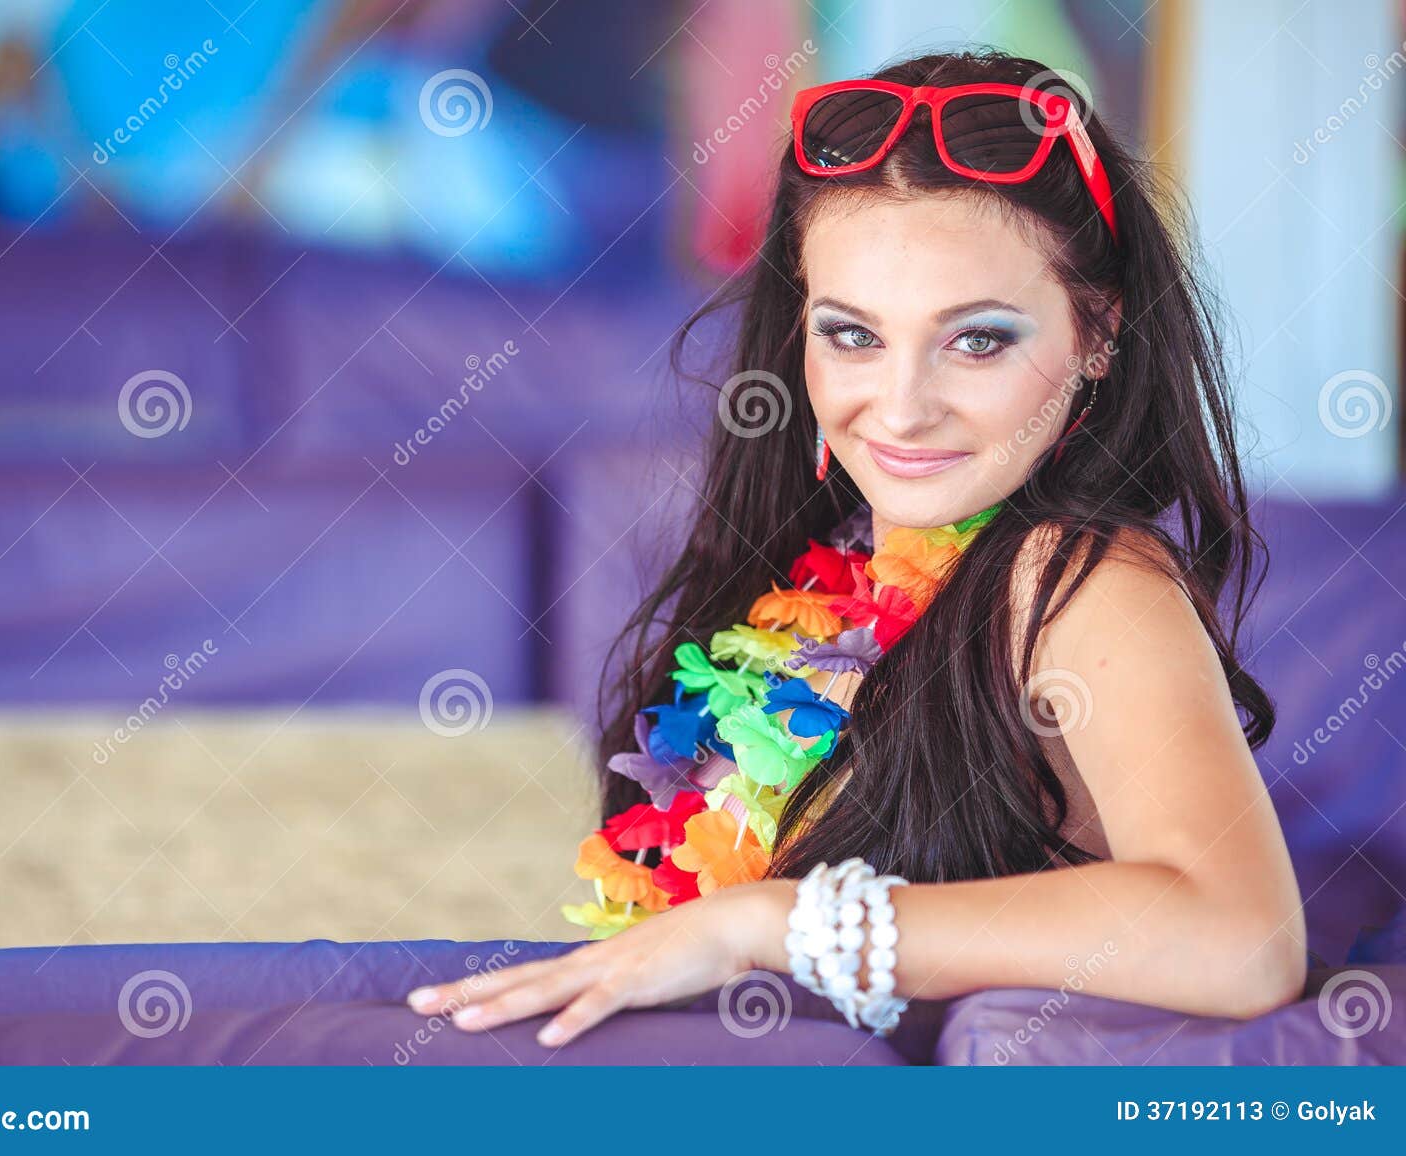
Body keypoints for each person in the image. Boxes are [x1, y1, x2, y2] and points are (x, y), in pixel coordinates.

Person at [404, 48, 1306, 1048]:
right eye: (853, 334)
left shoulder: (1077, 580)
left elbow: (1244, 936)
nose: (903, 408)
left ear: (1097, 332)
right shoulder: (819, 576)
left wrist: (761, 924)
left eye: (977, 340)